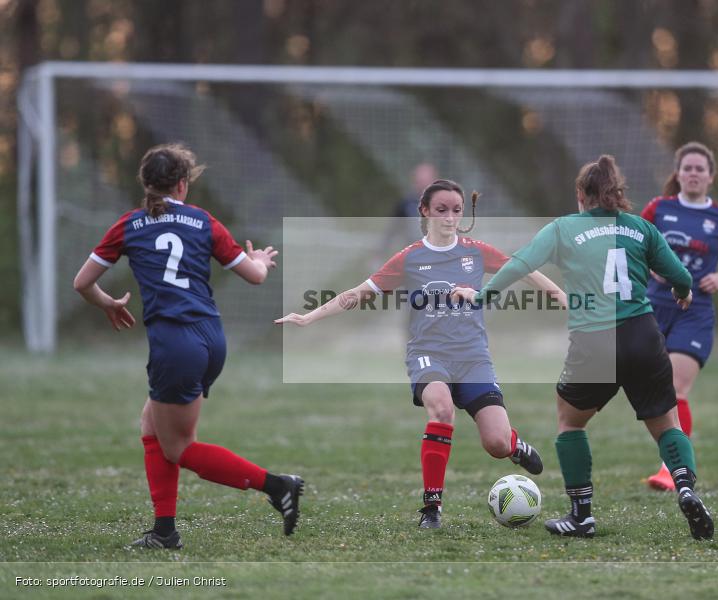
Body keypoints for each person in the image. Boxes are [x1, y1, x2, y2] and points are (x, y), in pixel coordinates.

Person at [276, 179, 564, 529]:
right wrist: (310, 316)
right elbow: (358, 293)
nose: (450, 217)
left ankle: (514, 446)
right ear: (425, 211)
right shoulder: (410, 257)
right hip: (428, 354)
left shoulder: (476, 251)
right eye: (441, 210)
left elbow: (524, 270)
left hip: (473, 358)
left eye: (456, 210)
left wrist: (564, 299)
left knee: (496, 443)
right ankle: (432, 507)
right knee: (441, 409)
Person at [455, 155, 714, 540]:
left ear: (580, 194)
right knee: (666, 424)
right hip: (643, 333)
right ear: (618, 193)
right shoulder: (641, 228)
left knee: (570, 422)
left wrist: (481, 296)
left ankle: (582, 516)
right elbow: (680, 276)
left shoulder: (563, 228)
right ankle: (686, 487)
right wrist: (682, 292)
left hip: (595, 339)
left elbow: (520, 264)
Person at [73, 143, 304, 550]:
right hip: (210, 337)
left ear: (145, 182)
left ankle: (277, 485)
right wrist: (261, 261)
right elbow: (254, 276)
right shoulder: (203, 221)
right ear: (182, 184)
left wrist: (108, 303)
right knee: (152, 426)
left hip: (175, 344)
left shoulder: (129, 224)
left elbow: (82, 283)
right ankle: (164, 531)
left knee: (179, 446)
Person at [639, 142, 718, 491]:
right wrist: (651, 267)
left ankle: (672, 470)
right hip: (653, 307)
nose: (692, 173)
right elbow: (631, 245)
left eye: (699, 169)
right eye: (687, 168)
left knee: (676, 387)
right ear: (677, 174)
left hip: (695, 312)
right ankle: (673, 460)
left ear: (710, 176)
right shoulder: (659, 208)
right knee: (653, 388)